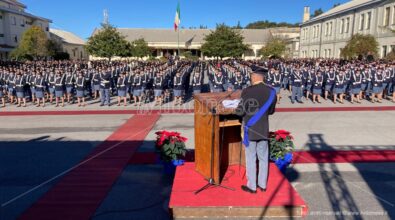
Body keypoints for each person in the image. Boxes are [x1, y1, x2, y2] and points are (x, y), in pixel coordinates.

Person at [235, 68, 277, 194]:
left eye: (251, 75)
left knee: (251, 158)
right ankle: (262, 185)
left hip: (251, 130)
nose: (250, 77)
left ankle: (252, 186)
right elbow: (271, 111)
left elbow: (240, 111)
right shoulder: (271, 91)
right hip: (263, 129)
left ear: (254, 76)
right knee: (264, 158)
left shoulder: (248, 91)